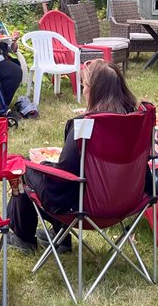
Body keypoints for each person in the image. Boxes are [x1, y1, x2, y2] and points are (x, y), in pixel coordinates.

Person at [7, 61, 139, 253]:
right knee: (49, 171)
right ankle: (59, 237)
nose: (84, 91)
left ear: (93, 91)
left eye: (85, 86)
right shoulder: (136, 121)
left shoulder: (84, 126)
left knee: (23, 166)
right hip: (127, 199)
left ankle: (23, 236)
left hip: (86, 205)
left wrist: (39, 164)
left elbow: (63, 178)